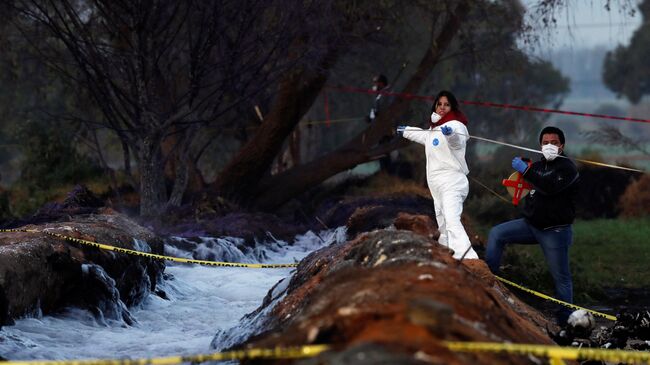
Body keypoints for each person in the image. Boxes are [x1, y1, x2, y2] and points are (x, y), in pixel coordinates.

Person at [485, 126, 579, 325]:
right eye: (545, 143)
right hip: (531, 226)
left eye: (554, 143)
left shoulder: (567, 168)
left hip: (555, 231)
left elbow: (549, 185)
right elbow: (526, 188)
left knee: (561, 279)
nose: (549, 146)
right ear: (540, 145)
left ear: (562, 146)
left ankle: (565, 323)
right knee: (496, 234)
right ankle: (488, 280)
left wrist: (526, 170)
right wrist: (523, 174)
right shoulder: (536, 167)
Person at [396, 90, 478, 260]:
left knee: (451, 219)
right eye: (439, 104)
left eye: (446, 105)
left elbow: (457, 141)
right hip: (436, 184)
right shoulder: (434, 129)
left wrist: (450, 135)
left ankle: (468, 258)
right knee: (442, 221)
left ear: (452, 107)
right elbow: (423, 135)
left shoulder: (456, 125)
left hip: (452, 181)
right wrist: (405, 130)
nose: (442, 108)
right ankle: (446, 254)